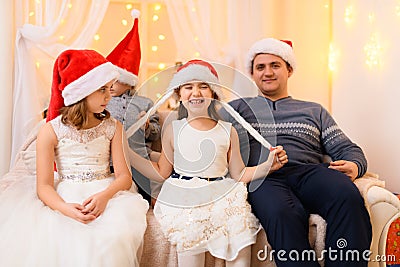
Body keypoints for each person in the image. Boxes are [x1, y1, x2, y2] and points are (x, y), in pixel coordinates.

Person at [223, 38, 372, 266]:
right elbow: (204, 136)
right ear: (252, 74)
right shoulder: (237, 109)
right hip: (264, 178)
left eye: (275, 65)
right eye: (260, 67)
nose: (268, 72)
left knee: (347, 195)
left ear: (289, 70)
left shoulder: (313, 110)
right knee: (281, 212)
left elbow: (346, 147)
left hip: (309, 173)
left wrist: (354, 164)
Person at [128, 59, 288, 267]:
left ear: (214, 93)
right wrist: (127, 154)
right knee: (191, 242)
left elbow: (239, 174)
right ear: (179, 94)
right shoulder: (173, 129)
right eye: (188, 87)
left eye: (204, 86)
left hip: (222, 193)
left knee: (240, 240)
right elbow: (160, 172)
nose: (196, 92)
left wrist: (267, 166)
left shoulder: (227, 130)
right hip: (185, 194)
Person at [0, 49, 149, 267]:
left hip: (104, 191)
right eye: (101, 90)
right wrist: (65, 208)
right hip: (65, 194)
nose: (109, 96)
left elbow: (124, 177)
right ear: (82, 92)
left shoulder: (113, 127)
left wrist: (105, 196)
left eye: (109, 89)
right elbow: (43, 186)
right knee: (59, 235)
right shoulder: (50, 130)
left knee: (113, 236)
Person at [106, 9, 161, 204]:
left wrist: (147, 126)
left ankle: (151, 199)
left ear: (130, 83)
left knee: (148, 191)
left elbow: (155, 134)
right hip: (108, 161)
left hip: (138, 160)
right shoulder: (102, 101)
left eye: (117, 81)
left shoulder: (144, 103)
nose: (111, 86)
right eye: (108, 81)